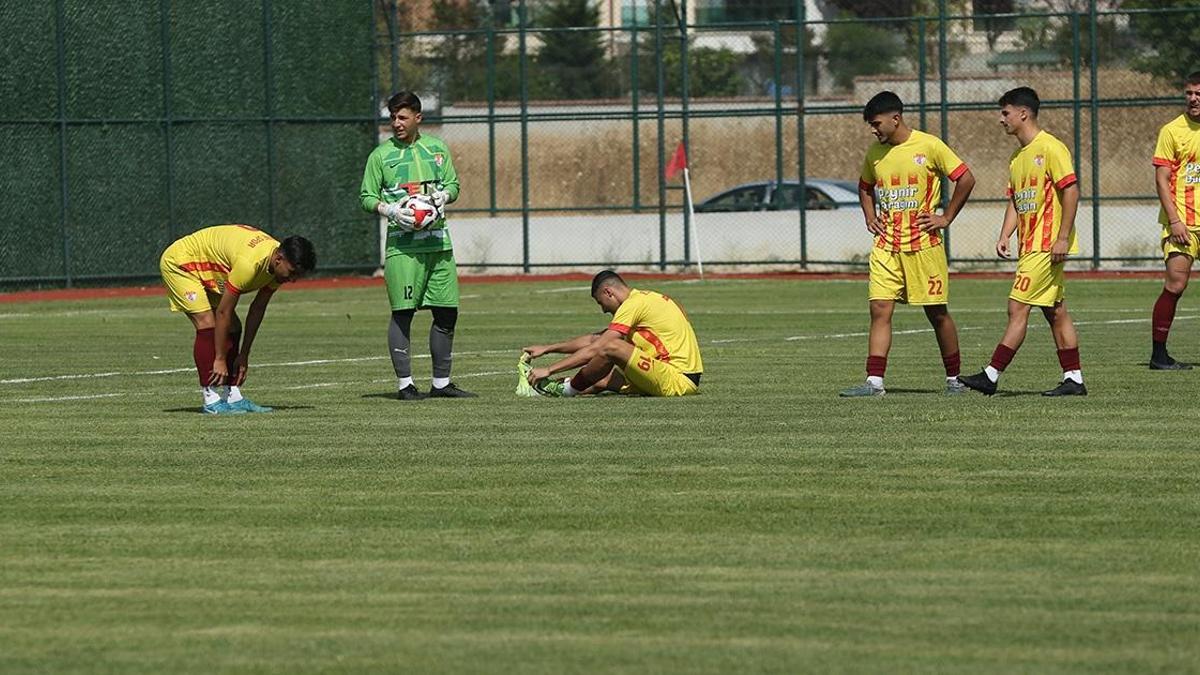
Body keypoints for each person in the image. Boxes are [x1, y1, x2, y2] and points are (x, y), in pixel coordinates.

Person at [840, 91, 976, 397]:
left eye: (876, 123)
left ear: (895, 118)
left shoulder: (929, 145)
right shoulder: (875, 153)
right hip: (886, 245)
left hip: (923, 245)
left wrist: (946, 217)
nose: (873, 130)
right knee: (879, 308)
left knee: (936, 313)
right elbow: (864, 187)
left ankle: (954, 379)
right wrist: (869, 216)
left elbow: (966, 178)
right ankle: (874, 382)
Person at [958, 87, 1086, 397]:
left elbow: (1071, 190)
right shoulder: (1017, 157)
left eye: (1005, 113)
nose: (1000, 119)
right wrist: (1005, 234)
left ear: (1023, 113)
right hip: (1030, 245)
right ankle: (1074, 379)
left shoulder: (1051, 147)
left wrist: (1062, 237)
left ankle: (991, 375)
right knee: (1055, 311)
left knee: (1017, 306)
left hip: (1046, 245)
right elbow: (1016, 201)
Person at [360, 91, 475, 400]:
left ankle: (441, 384)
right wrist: (390, 210)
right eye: (393, 118)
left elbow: (453, 185)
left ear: (418, 118)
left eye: (402, 117)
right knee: (404, 312)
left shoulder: (437, 149)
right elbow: (366, 197)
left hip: (439, 244)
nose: (396, 123)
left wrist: (443, 196)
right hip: (403, 248)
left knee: (447, 312)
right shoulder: (380, 156)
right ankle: (405, 385)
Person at [159, 224, 316, 414]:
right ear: (278, 259)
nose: (293, 280)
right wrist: (219, 358)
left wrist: (244, 355)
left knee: (233, 326)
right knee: (207, 323)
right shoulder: (249, 264)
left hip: (210, 268)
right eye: (292, 273)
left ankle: (232, 396)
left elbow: (257, 308)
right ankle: (210, 400)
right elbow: (223, 312)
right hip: (181, 264)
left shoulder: (276, 266)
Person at [519, 270, 703, 397]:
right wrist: (548, 348)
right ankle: (551, 388)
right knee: (601, 380)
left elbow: (601, 346)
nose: (603, 310)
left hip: (676, 379)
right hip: (670, 374)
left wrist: (549, 369)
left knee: (612, 346)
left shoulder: (633, 304)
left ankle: (568, 390)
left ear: (608, 292)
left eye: (601, 303)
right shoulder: (646, 299)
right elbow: (595, 339)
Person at [1148, 71, 1200, 370]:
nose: (1193, 99)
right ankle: (1159, 355)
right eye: (1189, 93)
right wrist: (1175, 220)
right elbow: (1162, 179)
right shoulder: (1172, 131)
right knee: (1176, 285)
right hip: (1183, 224)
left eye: (1198, 94)